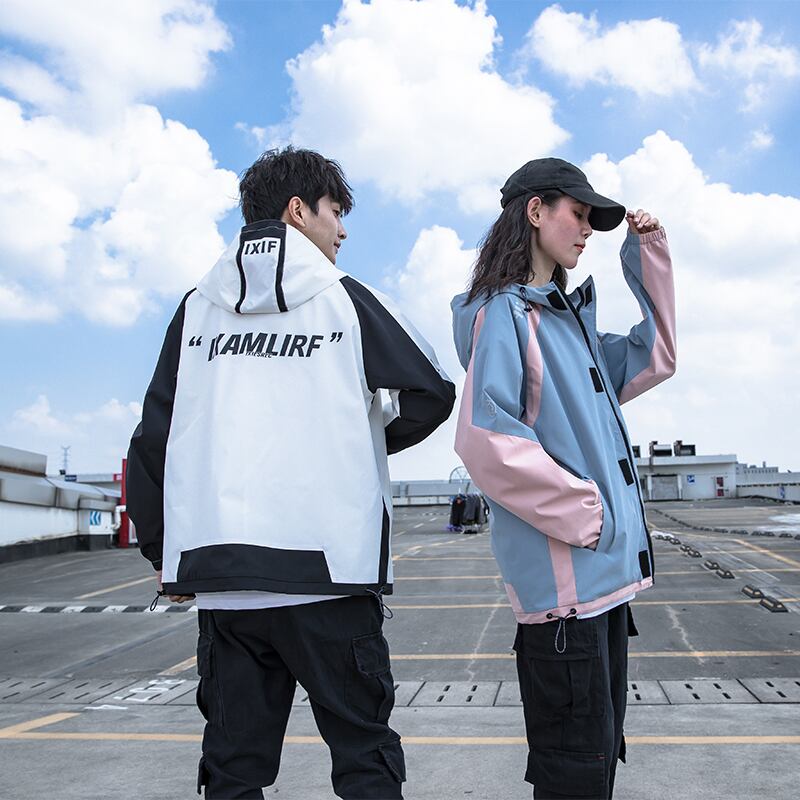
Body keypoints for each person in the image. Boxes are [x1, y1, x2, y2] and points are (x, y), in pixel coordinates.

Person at [126, 146, 455, 800]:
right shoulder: (344, 298)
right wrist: (355, 446)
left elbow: (153, 438)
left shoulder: (196, 307)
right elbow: (433, 390)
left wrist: (166, 554)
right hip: (329, 578)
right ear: (298, 211)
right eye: (336, 211)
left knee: (233, 770)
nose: (343, 230)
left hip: (225, 585)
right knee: (364, 760)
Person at [452, 157, 676, 799]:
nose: (584, 230)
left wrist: (649, 255)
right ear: (535, 210)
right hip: (565, 602)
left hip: (602, 592)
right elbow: (485, 440)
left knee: (595, 768)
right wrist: (591, 514)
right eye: (576, 213)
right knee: (574, 777)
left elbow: (656, 356)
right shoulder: (505, 315)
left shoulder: (569, 327)